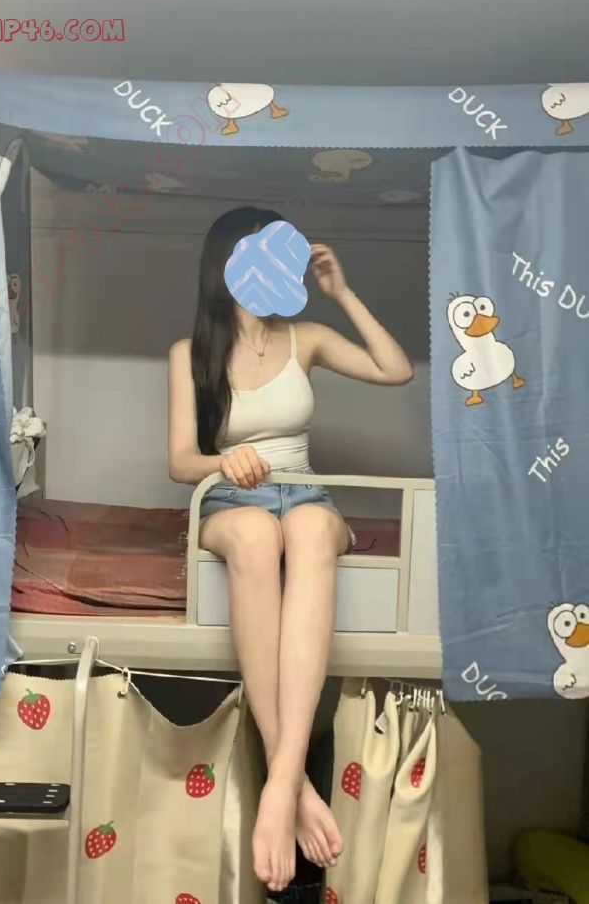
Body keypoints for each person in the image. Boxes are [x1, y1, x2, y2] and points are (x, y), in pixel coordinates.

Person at [168, 206, 413, 893]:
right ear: (227, 264)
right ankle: (295, 782)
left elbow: (396, 370)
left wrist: (342, 292)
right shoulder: (189, 354)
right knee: (254, 534)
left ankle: (278, 785)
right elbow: (180, 460)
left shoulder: (307, 338)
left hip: (305, 494)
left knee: (304, 530)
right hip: (230, 500)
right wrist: (225, 461)